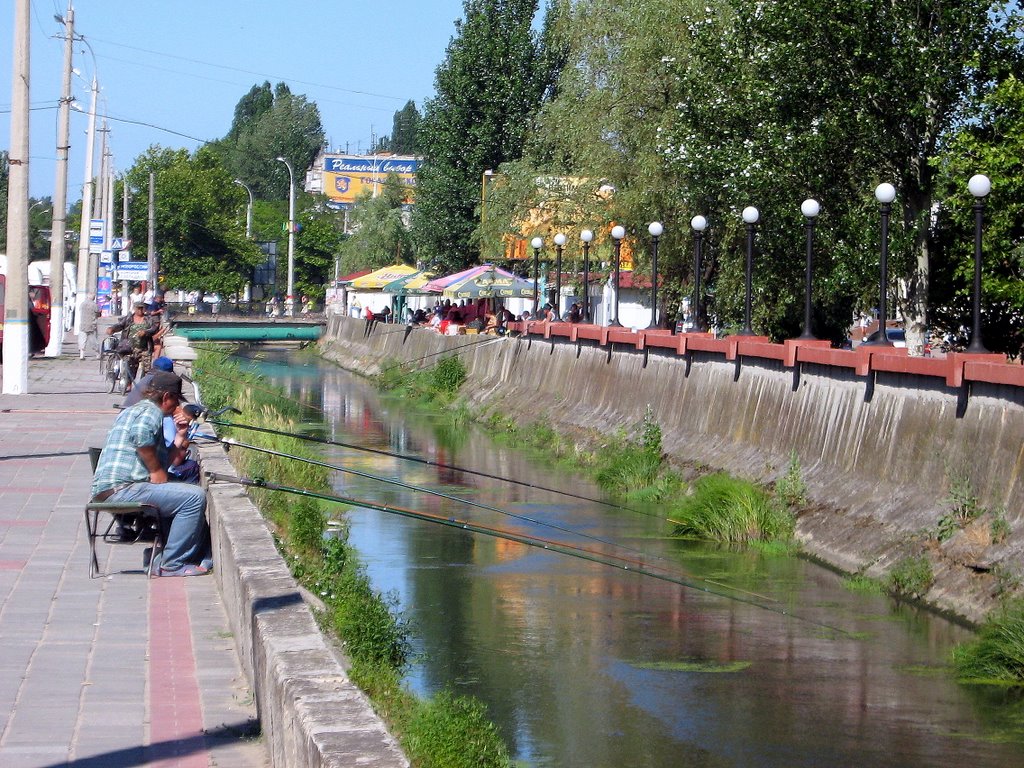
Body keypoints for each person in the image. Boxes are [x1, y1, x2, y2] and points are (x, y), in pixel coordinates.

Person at [90, 371, 211, 576]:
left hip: (113, 488)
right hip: (123, 489)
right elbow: (140, 437)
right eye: (175, 401)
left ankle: (166, 554)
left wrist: (181, 433)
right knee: (194, 497)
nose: (176, 408)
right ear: (166, 398)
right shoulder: (150, 412)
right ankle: (171, 564)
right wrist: (155, 471)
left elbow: (167, 462)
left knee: (182, 490)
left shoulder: (135, 410)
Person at [78, 294, 100, 360]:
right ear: (93, 298)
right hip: (92, 326)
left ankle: (81, 355)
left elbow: (80, 311)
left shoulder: (82, 304)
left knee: (82, 341)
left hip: (83, 325)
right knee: (94, 341)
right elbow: (97, 314)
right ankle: (97, 354)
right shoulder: (94, 305)